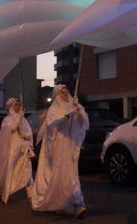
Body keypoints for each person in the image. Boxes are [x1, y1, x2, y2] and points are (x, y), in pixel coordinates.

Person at [31, 84, 89, 219]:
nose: (64, 95)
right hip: (58, 146)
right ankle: (77, 203)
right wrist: (68, 116)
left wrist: (78, 110)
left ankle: (63, 202)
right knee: (67, 174)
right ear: (56, 96)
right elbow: (53, 124)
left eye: (66, 92)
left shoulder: (73, 105)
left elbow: (84, 124)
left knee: (70, 174)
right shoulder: (53, 110)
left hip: (70, 146)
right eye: (61, 93)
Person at [0, 97, 34, 205]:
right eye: (16, 105)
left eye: (19, 105)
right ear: (10, 107)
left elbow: (28, 131)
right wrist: (18, 118)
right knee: (10, 169)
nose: (18, 106)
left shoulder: (23, 119)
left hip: (23, 149)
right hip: (13, 149)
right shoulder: (7, 120)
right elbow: (11, 128)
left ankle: (31, 194)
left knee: (27, 170)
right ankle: (4, 194)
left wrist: (25, 134)